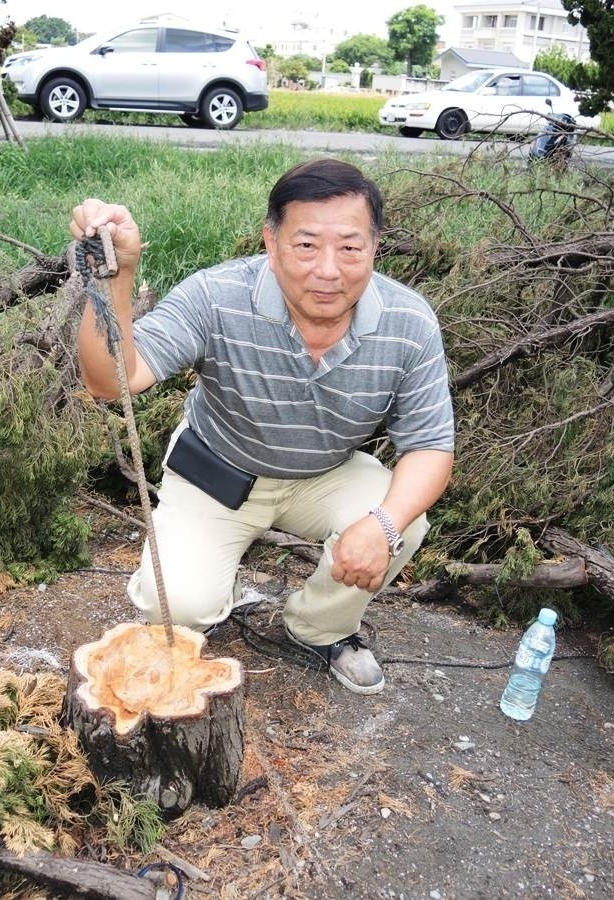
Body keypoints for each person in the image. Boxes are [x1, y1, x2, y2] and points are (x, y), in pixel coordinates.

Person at [71, 158, 454, 695]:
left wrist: (381, 526)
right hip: (219, 472)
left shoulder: (408, 322)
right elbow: (111, 380)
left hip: (325, 473)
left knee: (402, 523)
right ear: (270, 243)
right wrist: (116, 276)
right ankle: (207, 585)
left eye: (350, 246)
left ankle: (320, 628)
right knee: (177, 604)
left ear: (375, 247)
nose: (328, 269)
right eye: (306, 245)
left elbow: (431, 446)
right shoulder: (216, 295)